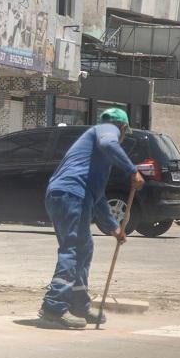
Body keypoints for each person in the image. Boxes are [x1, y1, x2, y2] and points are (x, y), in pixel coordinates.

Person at [39, 108, 145, 329]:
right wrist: (132, 170)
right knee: (74, 249)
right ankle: (54, 306)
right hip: (70, 194)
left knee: (83, 248)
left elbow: (97, 197)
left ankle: (79, 305)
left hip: (73, 195)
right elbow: (109, 144)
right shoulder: (106, 130)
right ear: (122, 128)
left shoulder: (96, 158)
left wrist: (114, 227)